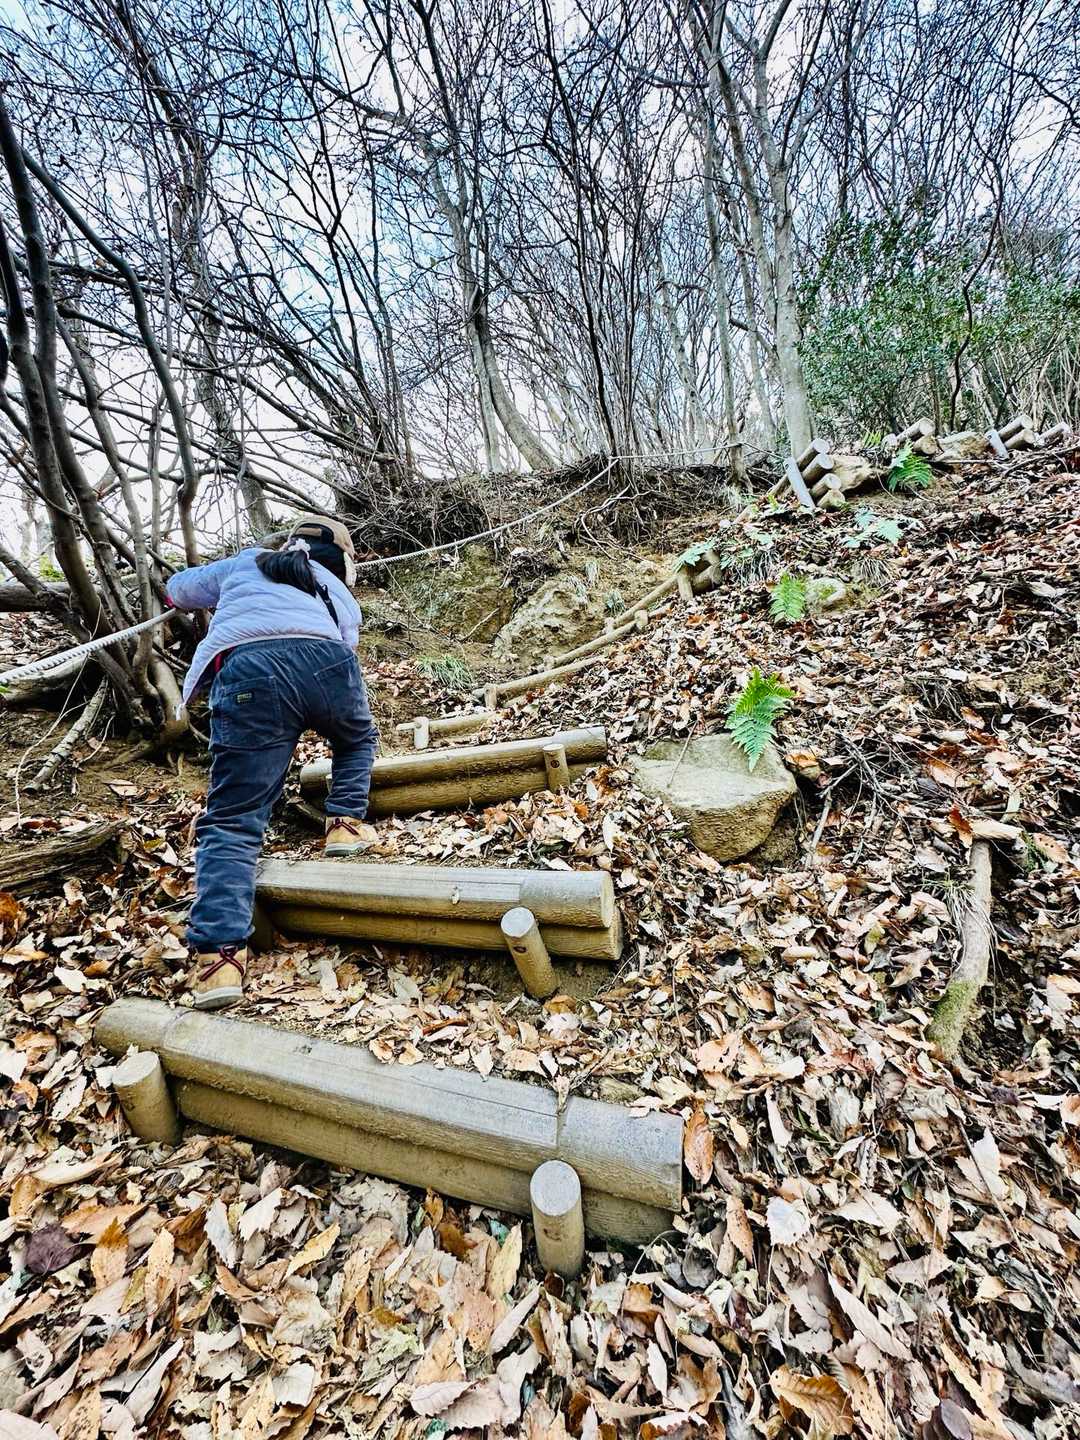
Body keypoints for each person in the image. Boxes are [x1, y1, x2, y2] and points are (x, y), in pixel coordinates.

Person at [166, 514, 378, 1010]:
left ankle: (220, 961)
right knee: (355, 739)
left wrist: (183, 596)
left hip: (251, 671)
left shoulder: (245, 563)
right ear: (341, 560)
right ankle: (344, 824)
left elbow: (180, 590)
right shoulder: (332, 585)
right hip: (327, 663)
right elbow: (348, 641)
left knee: (234, 816)